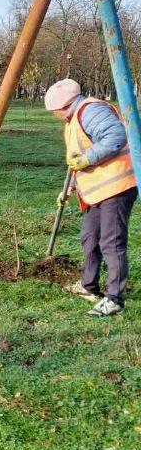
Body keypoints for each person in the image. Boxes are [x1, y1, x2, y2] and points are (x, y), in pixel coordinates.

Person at [45, 78, 138, 317]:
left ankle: (114, 299)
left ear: (61, 106)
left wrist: (88, 158)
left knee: (111, 242)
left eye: (53, 111)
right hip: (98, 190)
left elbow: (116, 136)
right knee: (90, 238)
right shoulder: (74, 118)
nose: (53, 115)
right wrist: (70, 188)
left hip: (117, 186)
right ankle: (89, 286)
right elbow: (78, 156)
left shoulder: (91, 111)